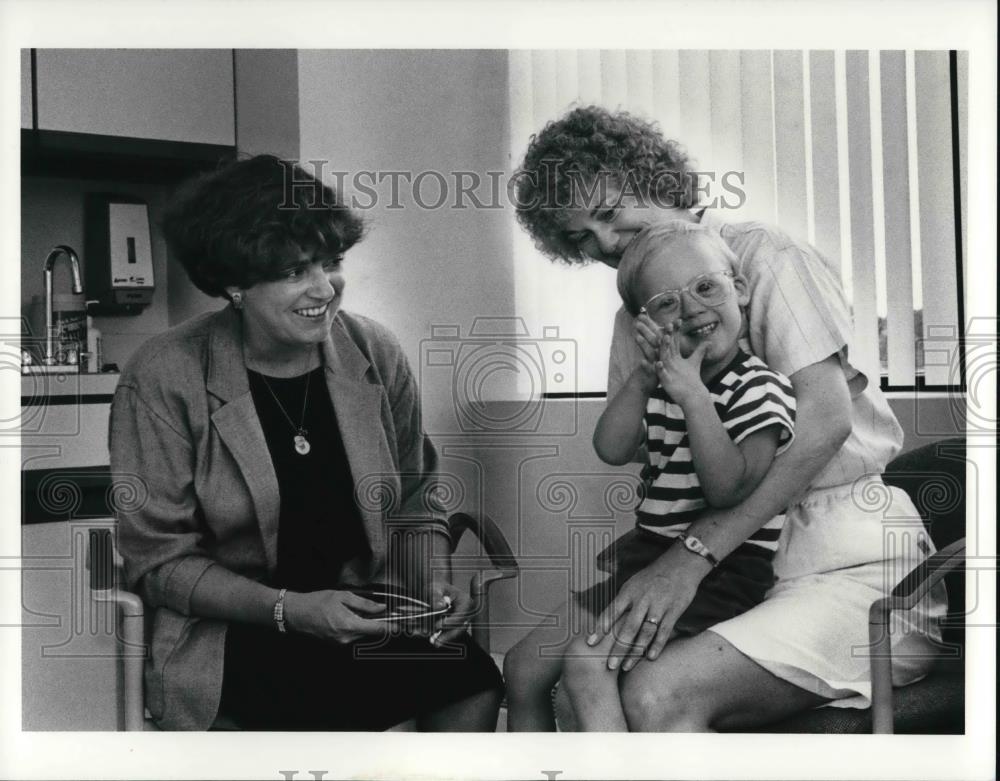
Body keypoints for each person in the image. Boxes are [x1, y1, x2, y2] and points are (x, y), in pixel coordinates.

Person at [506, 105, 946, 731]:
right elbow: (642, 451)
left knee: (650, 695)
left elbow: (825, 425)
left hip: (839, 561)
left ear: (655, 180)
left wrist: (689, 558)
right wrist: (658, 553)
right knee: (539, 669)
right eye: (581, 237)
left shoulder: (762, 258)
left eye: (608, 213)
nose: (603, 243)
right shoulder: (637, 314)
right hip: (730, 552)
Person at [108, 154, 503, 731]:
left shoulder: (374, 351)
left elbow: (417, 503)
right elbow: (161, 563)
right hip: (235, 630)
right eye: (295, 272)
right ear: (235, 284)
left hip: (361, 606)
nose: (325, 289)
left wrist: (431, 583)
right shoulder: (164, 375)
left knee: (472, 681)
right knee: (315, 711)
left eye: (330, 262)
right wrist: (292, 611)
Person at [505, 222, 797, 731]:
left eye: (706, 287)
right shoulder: (665, 381)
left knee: (586, 664)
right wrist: (643, 378)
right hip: (647, 558)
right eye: (666, 302)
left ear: (741, 290)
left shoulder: (761, 389)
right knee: (523, 665)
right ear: (646, 322)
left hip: (719, 572)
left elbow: (729, 489)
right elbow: (611, 449)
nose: (691, 310)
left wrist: (694, 398)